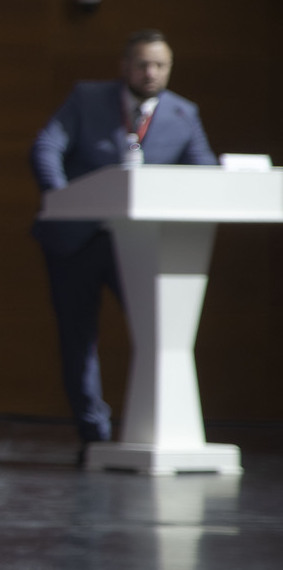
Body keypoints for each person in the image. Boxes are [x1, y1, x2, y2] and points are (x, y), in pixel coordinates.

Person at [32, 29, 218, 456]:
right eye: (142, 64)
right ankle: (93, 434)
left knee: (159, 334)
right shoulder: (87, 98)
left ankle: (154, 431)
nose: (150, 73)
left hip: (144, 246)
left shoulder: (183, 114)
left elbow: (205, 173)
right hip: (80, 239)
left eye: (160, 65)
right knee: (78, 339)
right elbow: (46, 147)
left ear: (170, 69)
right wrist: (61, 199)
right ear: (125, 66)